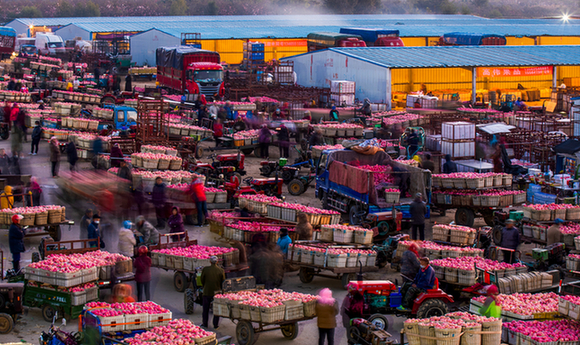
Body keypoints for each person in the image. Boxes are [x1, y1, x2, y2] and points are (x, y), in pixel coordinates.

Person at [200, 256, 225, 329]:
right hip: (217, 293)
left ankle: (205, 324)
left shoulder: (205, 269)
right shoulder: (221, 270)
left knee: (205, 309)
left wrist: (205, 286)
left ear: (210, 262)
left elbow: (202, 280)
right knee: (216, 309)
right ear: (217, 262)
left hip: (207, 291)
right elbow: (223, 282)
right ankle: (215, 325)